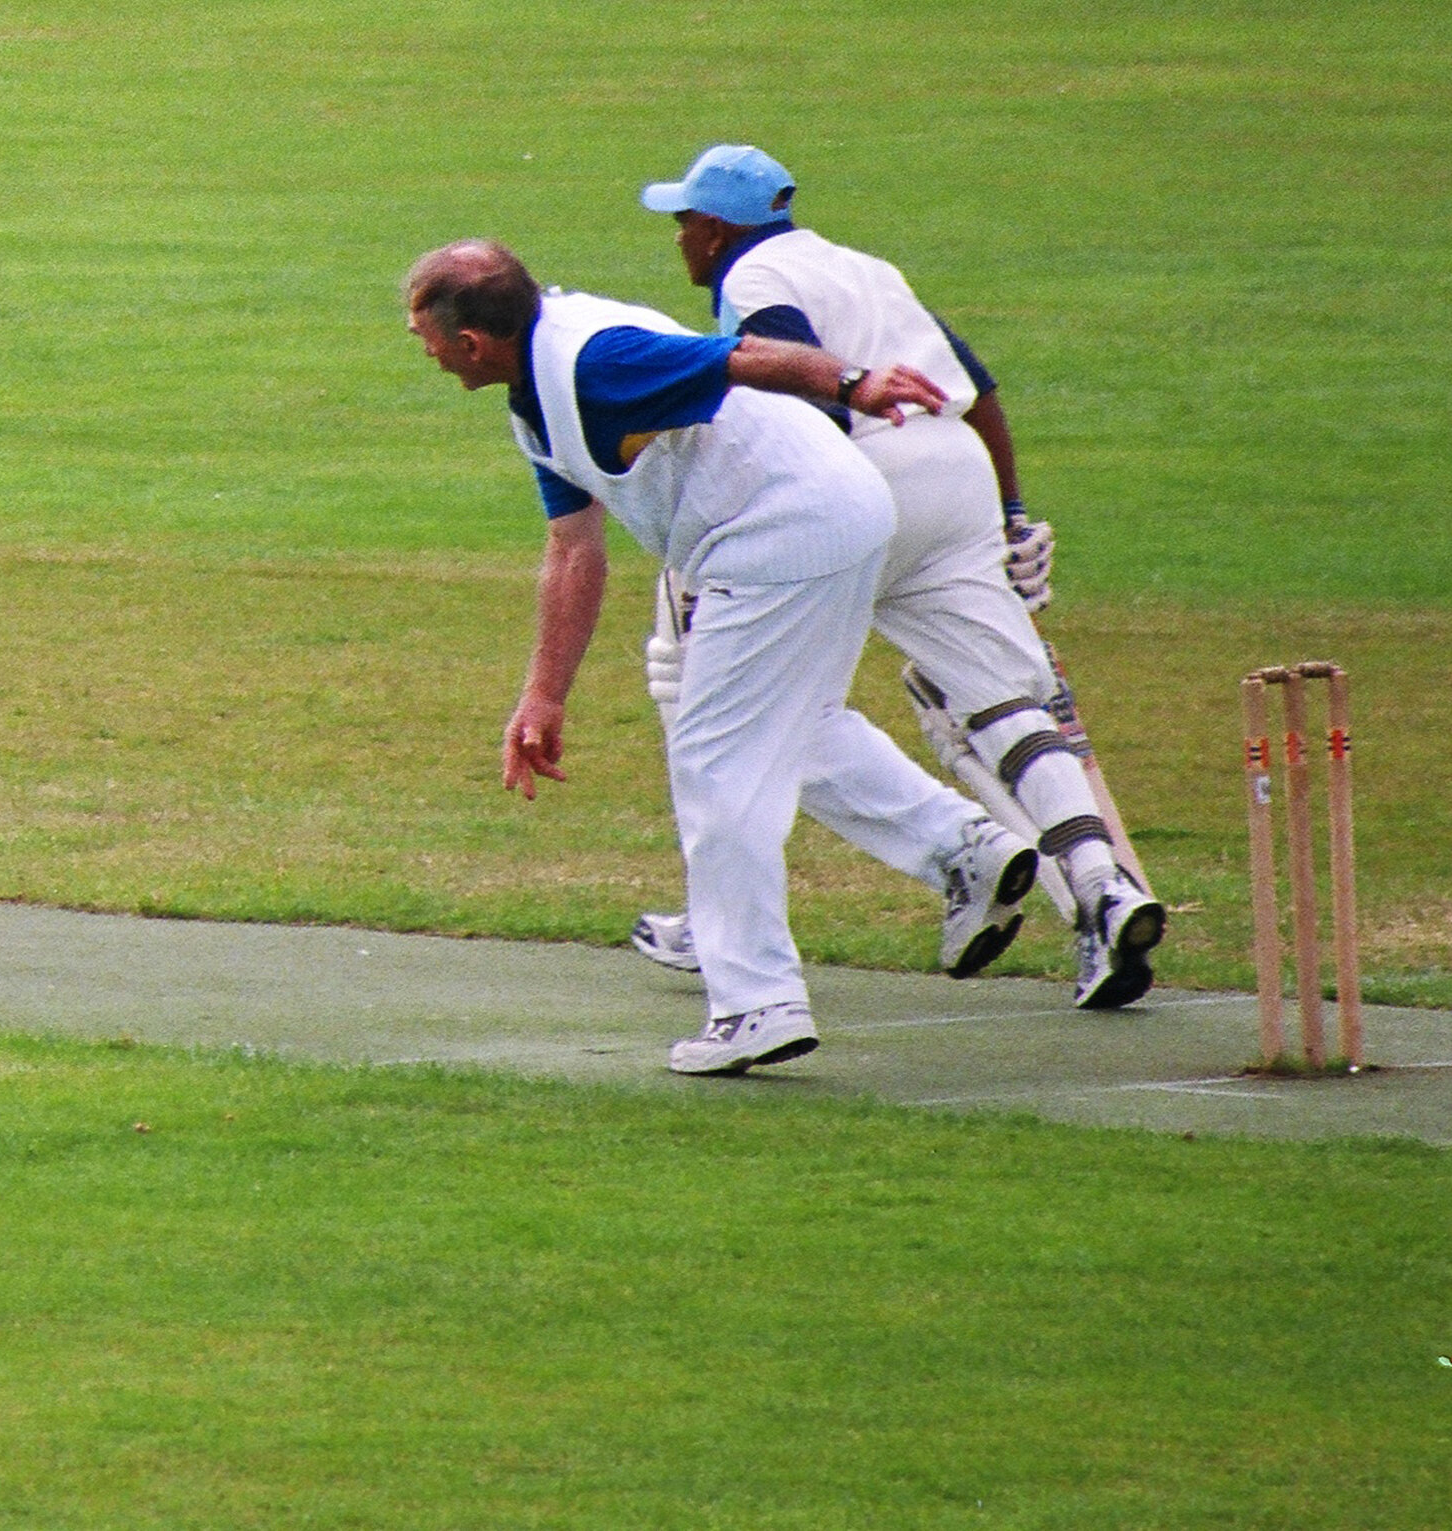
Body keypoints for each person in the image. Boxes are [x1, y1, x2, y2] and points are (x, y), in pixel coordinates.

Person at [629, 144, 1166, 1010]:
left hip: (859, 479)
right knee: (1005, 702)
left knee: (731, 697)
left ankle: (726, 918)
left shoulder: (752, 278)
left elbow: (806, 398)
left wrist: (772, 522)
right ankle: (1103, 890)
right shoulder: (864, 266)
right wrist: (1010, 513)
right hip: (954, 476)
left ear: (716, 228)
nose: (679, 238)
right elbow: (977, 390)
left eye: (684, 221)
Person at [403, 239, 952, 1077]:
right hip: (818, 517)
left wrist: (855, 383)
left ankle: (757, 1002)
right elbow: (573, 551)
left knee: (715, 760)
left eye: (425, 336)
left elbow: (745, 354)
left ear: (471, 342)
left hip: (783, 527)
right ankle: (970, 854)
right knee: (799, 728)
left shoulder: (595, 360)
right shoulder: (536, 395)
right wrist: (542, 696)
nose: (424, 351)